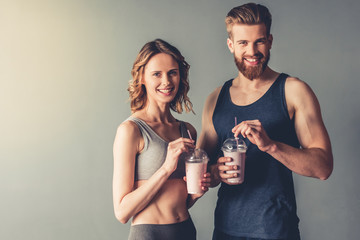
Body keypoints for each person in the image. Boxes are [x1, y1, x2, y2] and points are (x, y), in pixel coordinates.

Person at [197, 3, 333, 240]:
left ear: (270, 41)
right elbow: (200, 169)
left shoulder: (293, 91)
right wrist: (216, 172)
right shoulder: (215, 99)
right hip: (225, 231)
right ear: (231, 45)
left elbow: (323, 167)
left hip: (276, 231)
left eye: (259, 41)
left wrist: (271, 145)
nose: (252, 51)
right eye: (243, 43)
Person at [112, 39, 210, 240]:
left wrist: (195, 194)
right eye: (157, 74)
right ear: (142, 78)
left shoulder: (187, 131)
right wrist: (166, 167)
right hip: (149, 235)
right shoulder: (131, 130)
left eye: (172, 73)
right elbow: (122, 212)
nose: (166, 81)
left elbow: (180, 201)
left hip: (185, 231)